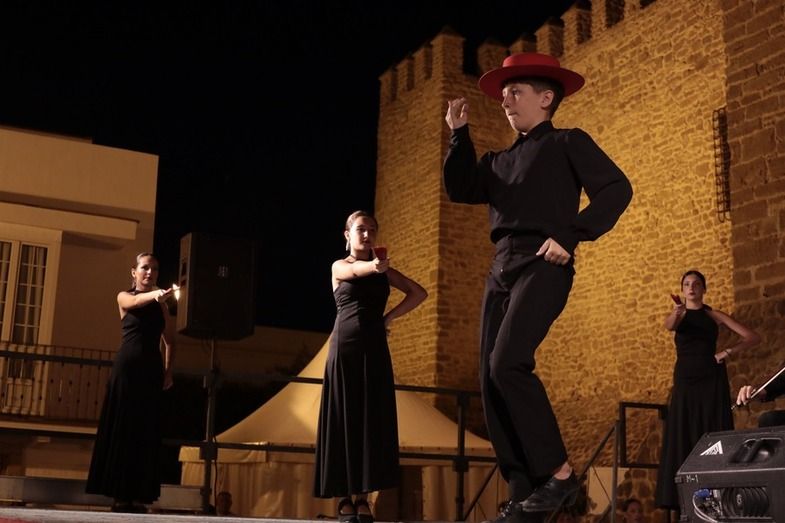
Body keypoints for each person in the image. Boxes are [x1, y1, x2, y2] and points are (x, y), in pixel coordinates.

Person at [443, 52, 633, 519]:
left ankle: (560, 475)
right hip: (500, 267)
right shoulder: (498, 160)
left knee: (507, 361)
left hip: (543, 262)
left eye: (515, 92)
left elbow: (617, 189)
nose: (505, 100)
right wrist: (458, 134)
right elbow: (460, 187)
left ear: (546, 98)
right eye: (504, 94)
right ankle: (523, 489)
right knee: (490, 378)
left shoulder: (568, 142)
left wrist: (571, 234)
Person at [313, 210, 427, 523]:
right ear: (347, 235)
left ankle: (363, 498)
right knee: (345, 418)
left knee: (369, 419)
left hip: (375, 348)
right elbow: (355, 271)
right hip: (345, 348)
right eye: (361, 229)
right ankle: (344, 498)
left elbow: (419, 293)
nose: (367, 235)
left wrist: (388, 318)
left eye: (372, 230)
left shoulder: (383, 270)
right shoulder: (340, 266)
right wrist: (374, 266)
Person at [654, 270, 761, 510]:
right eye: (687, 284)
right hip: (685, 378)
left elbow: (752, 337)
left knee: (711, 429)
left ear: (704, 289)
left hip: (711, 377)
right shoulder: (679, 315)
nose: (691, 288)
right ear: (682, 290)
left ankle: (718, 495)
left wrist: (727, 352)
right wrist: (677, 311)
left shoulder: (714, 315)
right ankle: (684, 498)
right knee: (683, 429)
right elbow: (668, 326)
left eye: (696, 284)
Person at [86, 252, 176, 513]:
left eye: (154, 269)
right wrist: (157, 294)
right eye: (145, 268)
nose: (150, 272)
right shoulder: (124, 296)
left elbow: (170, 341)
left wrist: (168, 372)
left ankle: (139, 495)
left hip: (151, 371)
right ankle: (120, 495)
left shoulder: (161, 305)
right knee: (123, 427)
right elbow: (136, 301)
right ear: (134, 272)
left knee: (145, 430)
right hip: (126, 370)